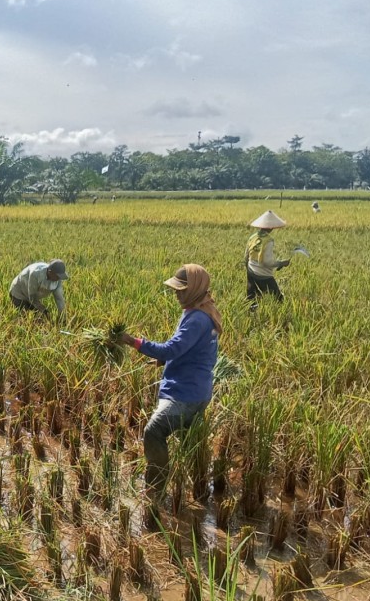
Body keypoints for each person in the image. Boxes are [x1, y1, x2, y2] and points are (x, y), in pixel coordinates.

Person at [120, 264, 221, 517]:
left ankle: (156, 487)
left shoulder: (197, 318)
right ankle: (192, 487)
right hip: (197, 390)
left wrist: (134, 342)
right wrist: (168, 361)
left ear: (194, 289)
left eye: (180, 290)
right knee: (188, 440)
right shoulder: (201, 311)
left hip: (185, 394)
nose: (176, 294)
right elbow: (194, 351)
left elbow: (171, 349)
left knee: (154, 430)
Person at [245, 210, 289, 308]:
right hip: (263, 274)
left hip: (251, 271)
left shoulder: (252, 237)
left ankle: (251, 316)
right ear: (271, 227)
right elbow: (267, 262)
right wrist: (281, 263)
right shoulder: (268, 241)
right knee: (279, 299)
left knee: (252, 298)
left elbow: (246, 257)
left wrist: (249, 271)